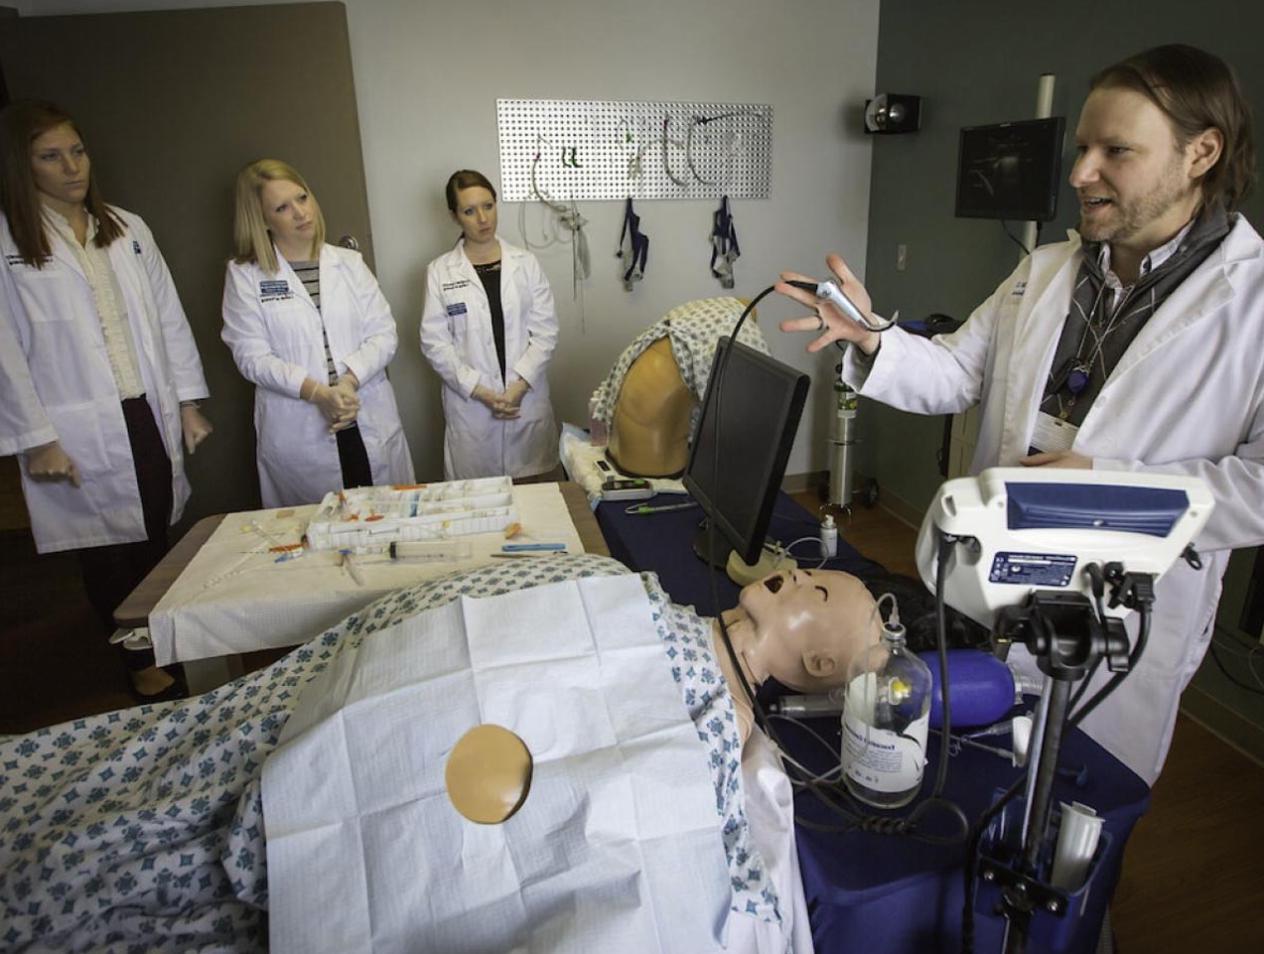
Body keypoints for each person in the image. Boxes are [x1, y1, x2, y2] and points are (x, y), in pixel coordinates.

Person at [778, 44, 1264, 786]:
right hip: (989, 574)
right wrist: (876, 341)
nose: (1079, 174)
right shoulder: (1043, 271)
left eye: (1116, 152)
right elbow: (958, 373)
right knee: (972, 773)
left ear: (1201, 153)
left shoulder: (1250, 304)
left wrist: (1105, 487)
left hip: (1119, 614)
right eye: (1081, 149)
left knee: (1080, 803)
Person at [0, 100, 213, 701]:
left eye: (78, 151)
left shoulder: (126, 229)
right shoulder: (9, 241)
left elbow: (168, 318)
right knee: (104, 550)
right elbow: (4, 351)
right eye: (50, 156)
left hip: (144, 408)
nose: (72, 167)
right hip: (71, 425)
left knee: (151, 534)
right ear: (23, 165)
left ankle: (159, 639)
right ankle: (137, 661)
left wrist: (190, 402)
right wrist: (35, 438)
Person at [222, 159, 414, 507]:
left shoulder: (349, 264)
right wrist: (317, 393)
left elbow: (384, 333)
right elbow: (251, 357)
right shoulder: (245, 275)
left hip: (363, 414)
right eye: (282, 207)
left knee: (386, 523)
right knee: (319, 538)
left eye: (302, 197)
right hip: (301, 430)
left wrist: (346, 384)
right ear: (262, 219)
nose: (300, 213)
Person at [421, 170, 560, 480]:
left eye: (488, 206)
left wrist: (519, 387)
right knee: (478, 509)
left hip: (525, 404)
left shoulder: (525, 264)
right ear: (455, 216)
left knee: (536, 503)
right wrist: (482, 391)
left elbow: (545, 333)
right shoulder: (440, 272)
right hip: (473, 412)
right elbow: (435, 344)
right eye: (469, 211)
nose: (483, 219)